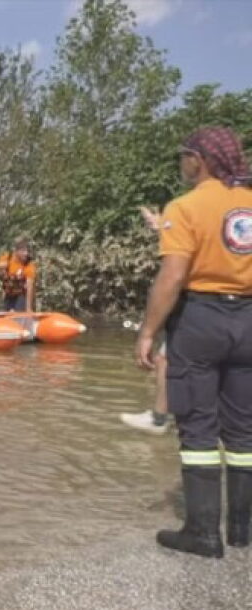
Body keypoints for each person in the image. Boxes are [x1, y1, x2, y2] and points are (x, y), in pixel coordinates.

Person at [135, 125, 252, 559]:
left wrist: (148, 331)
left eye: (183, 155)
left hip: (202, 319)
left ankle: (203, 534)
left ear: (199, 159)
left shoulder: (185, 207)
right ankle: (242, 530)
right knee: (244, 430)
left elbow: (173, 277)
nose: (180, 162)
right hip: (249, 322)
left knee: (198, 424)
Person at [120, 207, 172, 433]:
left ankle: (159, 419)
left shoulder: (194, 205)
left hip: (204, 305)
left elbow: (174, 274)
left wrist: (147, 333)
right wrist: (159, 225)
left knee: (164, 360)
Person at [0, 238, 37, 312]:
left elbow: (30, 288)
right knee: (6, 313)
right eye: (23, 251)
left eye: (27, 251)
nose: (26, 253)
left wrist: (29, 308)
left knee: (18, 312)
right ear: (16, 251)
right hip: (9, 294)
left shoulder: (29, 265)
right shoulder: (7, 258)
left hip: (22, 295)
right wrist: (0, 267)